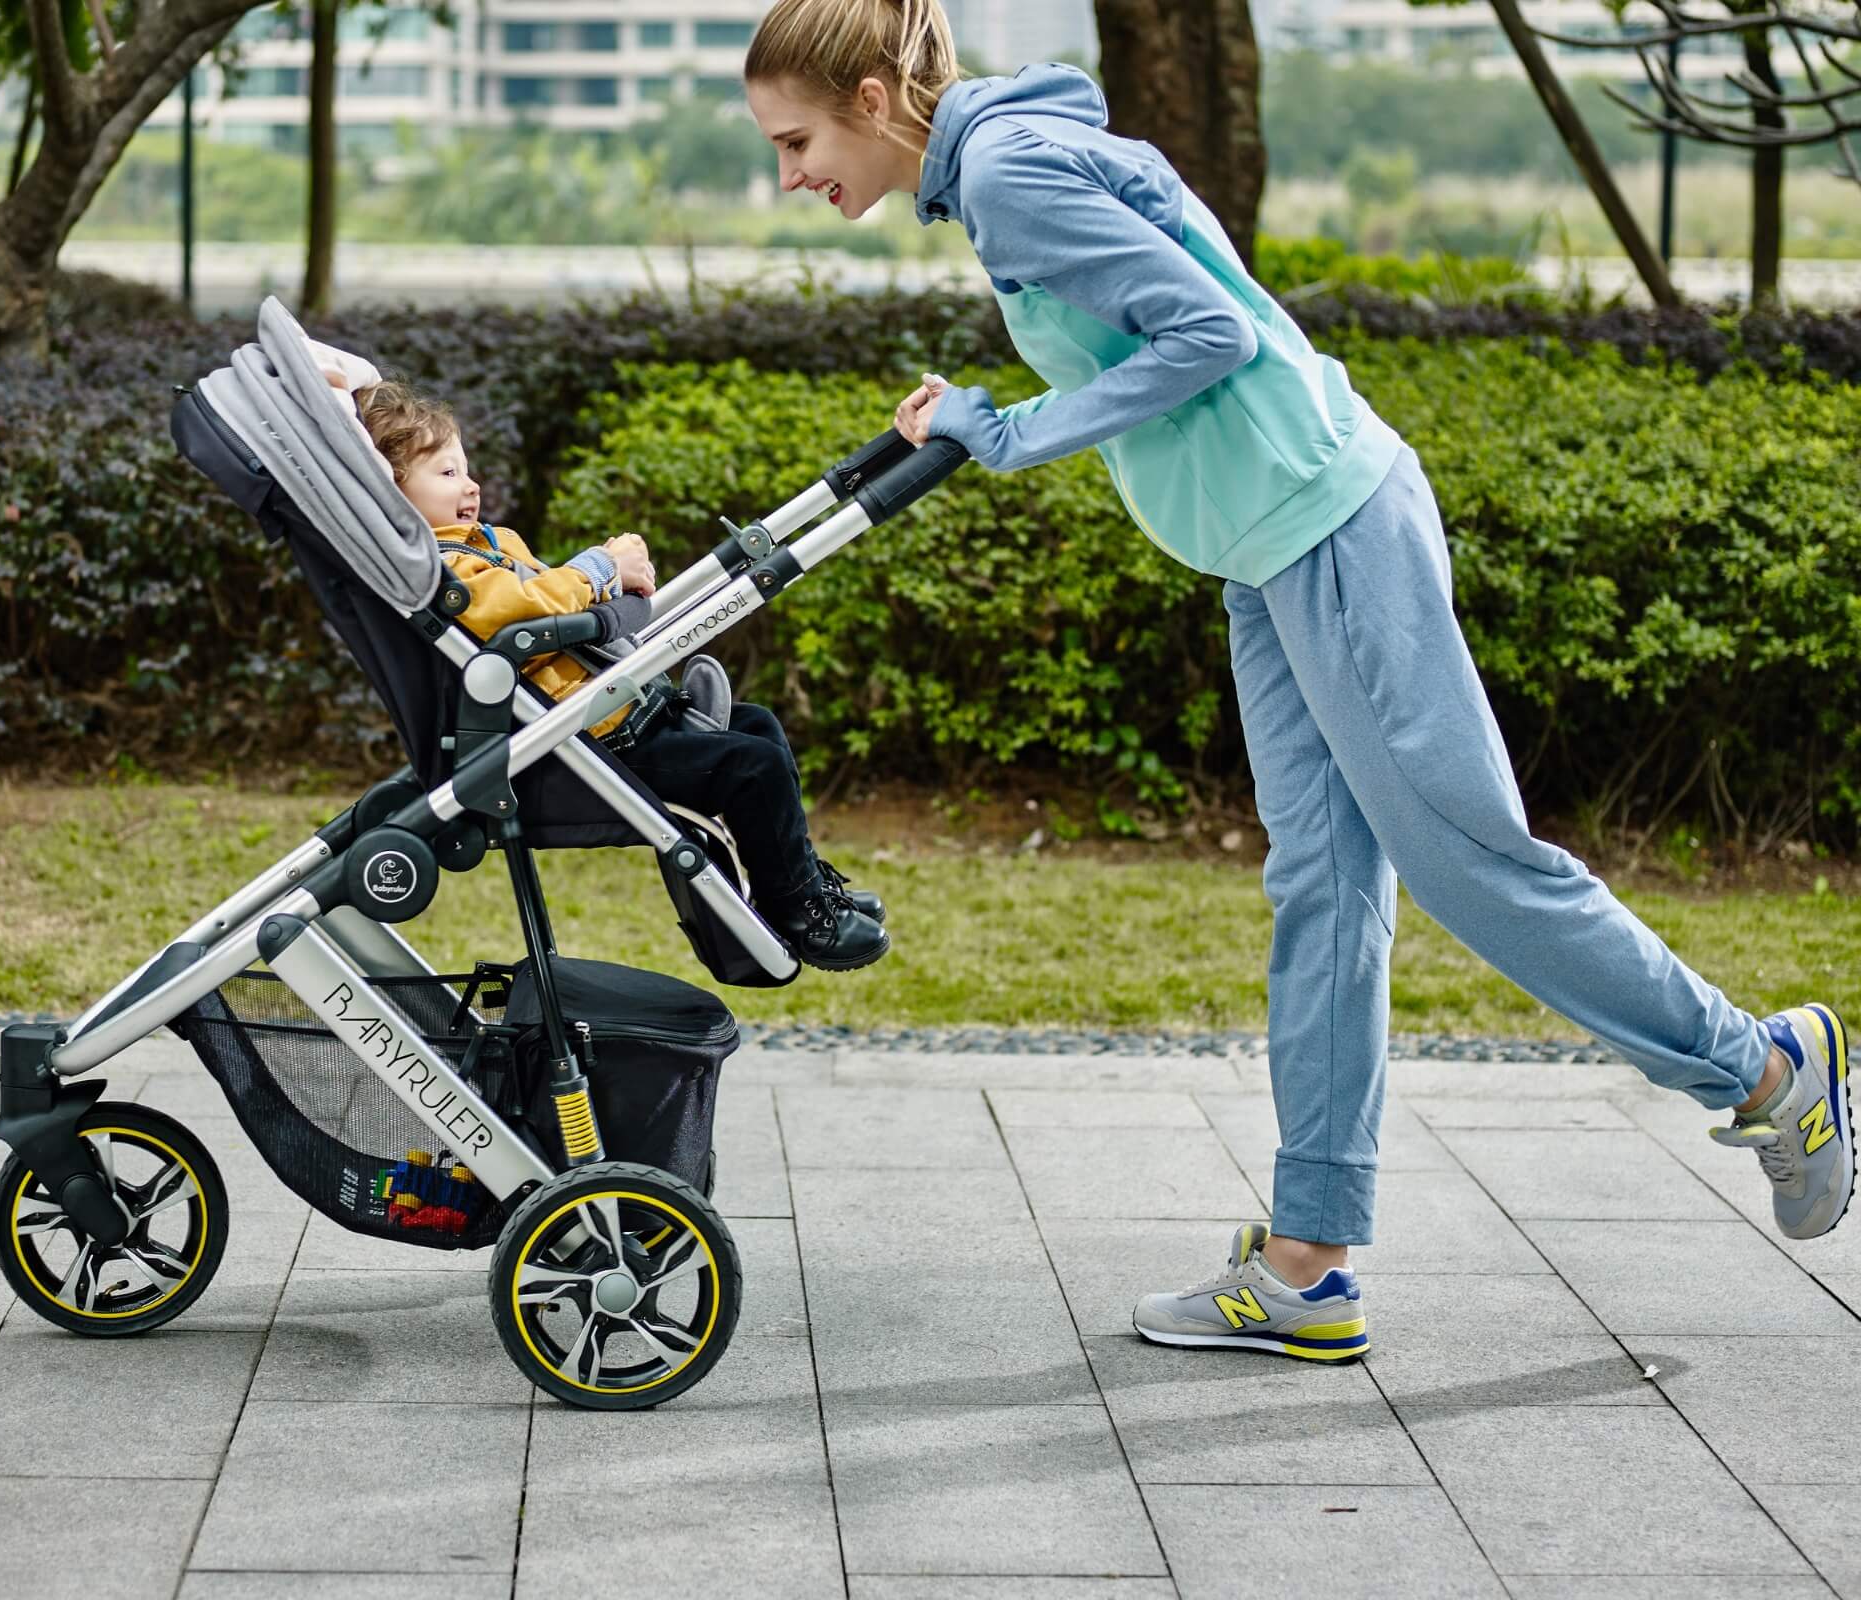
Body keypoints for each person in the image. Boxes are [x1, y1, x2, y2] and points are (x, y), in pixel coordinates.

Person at [743, 0, 1851, 1359]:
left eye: (796, 141)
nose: (793, 175)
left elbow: (1206, 332)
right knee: (1324, 893)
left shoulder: (1013, 176)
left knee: (1466, 864)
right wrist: (988, 411)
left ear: (869, 95)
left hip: (1328, 524)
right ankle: (1310, 1267)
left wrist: (1008, 430)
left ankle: (1768, 1067)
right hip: (1273, 553)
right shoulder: (999, 168)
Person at [352, 378, 890, 971]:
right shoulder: (446, 568)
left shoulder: (488, 545)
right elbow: (523, 609)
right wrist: (602, 566)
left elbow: (548, 596)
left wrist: (609, 585)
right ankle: (800, 915)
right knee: (751, 769)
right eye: (447, 473)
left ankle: (794, 877)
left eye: (467, 468)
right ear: (394, 493)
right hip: (582, 746)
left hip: (608, 718)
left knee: (756, 727)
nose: (471, 484)